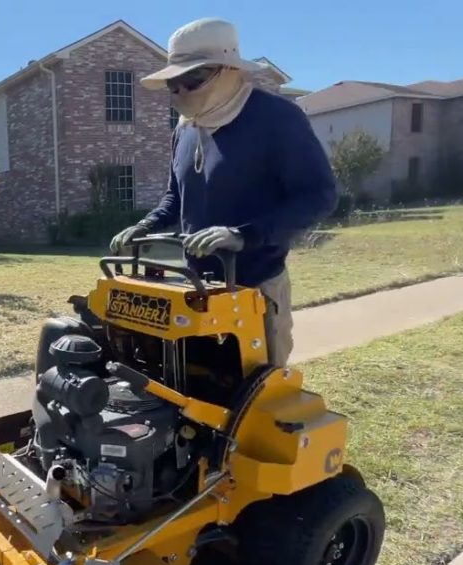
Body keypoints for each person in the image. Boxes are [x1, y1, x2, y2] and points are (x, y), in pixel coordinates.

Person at [109, 17, 338, 366]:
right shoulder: (185, 131)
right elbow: (176, 198)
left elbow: (318, 195)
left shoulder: (276, 117)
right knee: (192, 391)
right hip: (195, 291)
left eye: (193, 79)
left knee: (256, 395)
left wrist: (243, 235)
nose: (181, 92)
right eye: (173, 84)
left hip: (255, 288)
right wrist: (147, 225)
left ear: (230, 69)